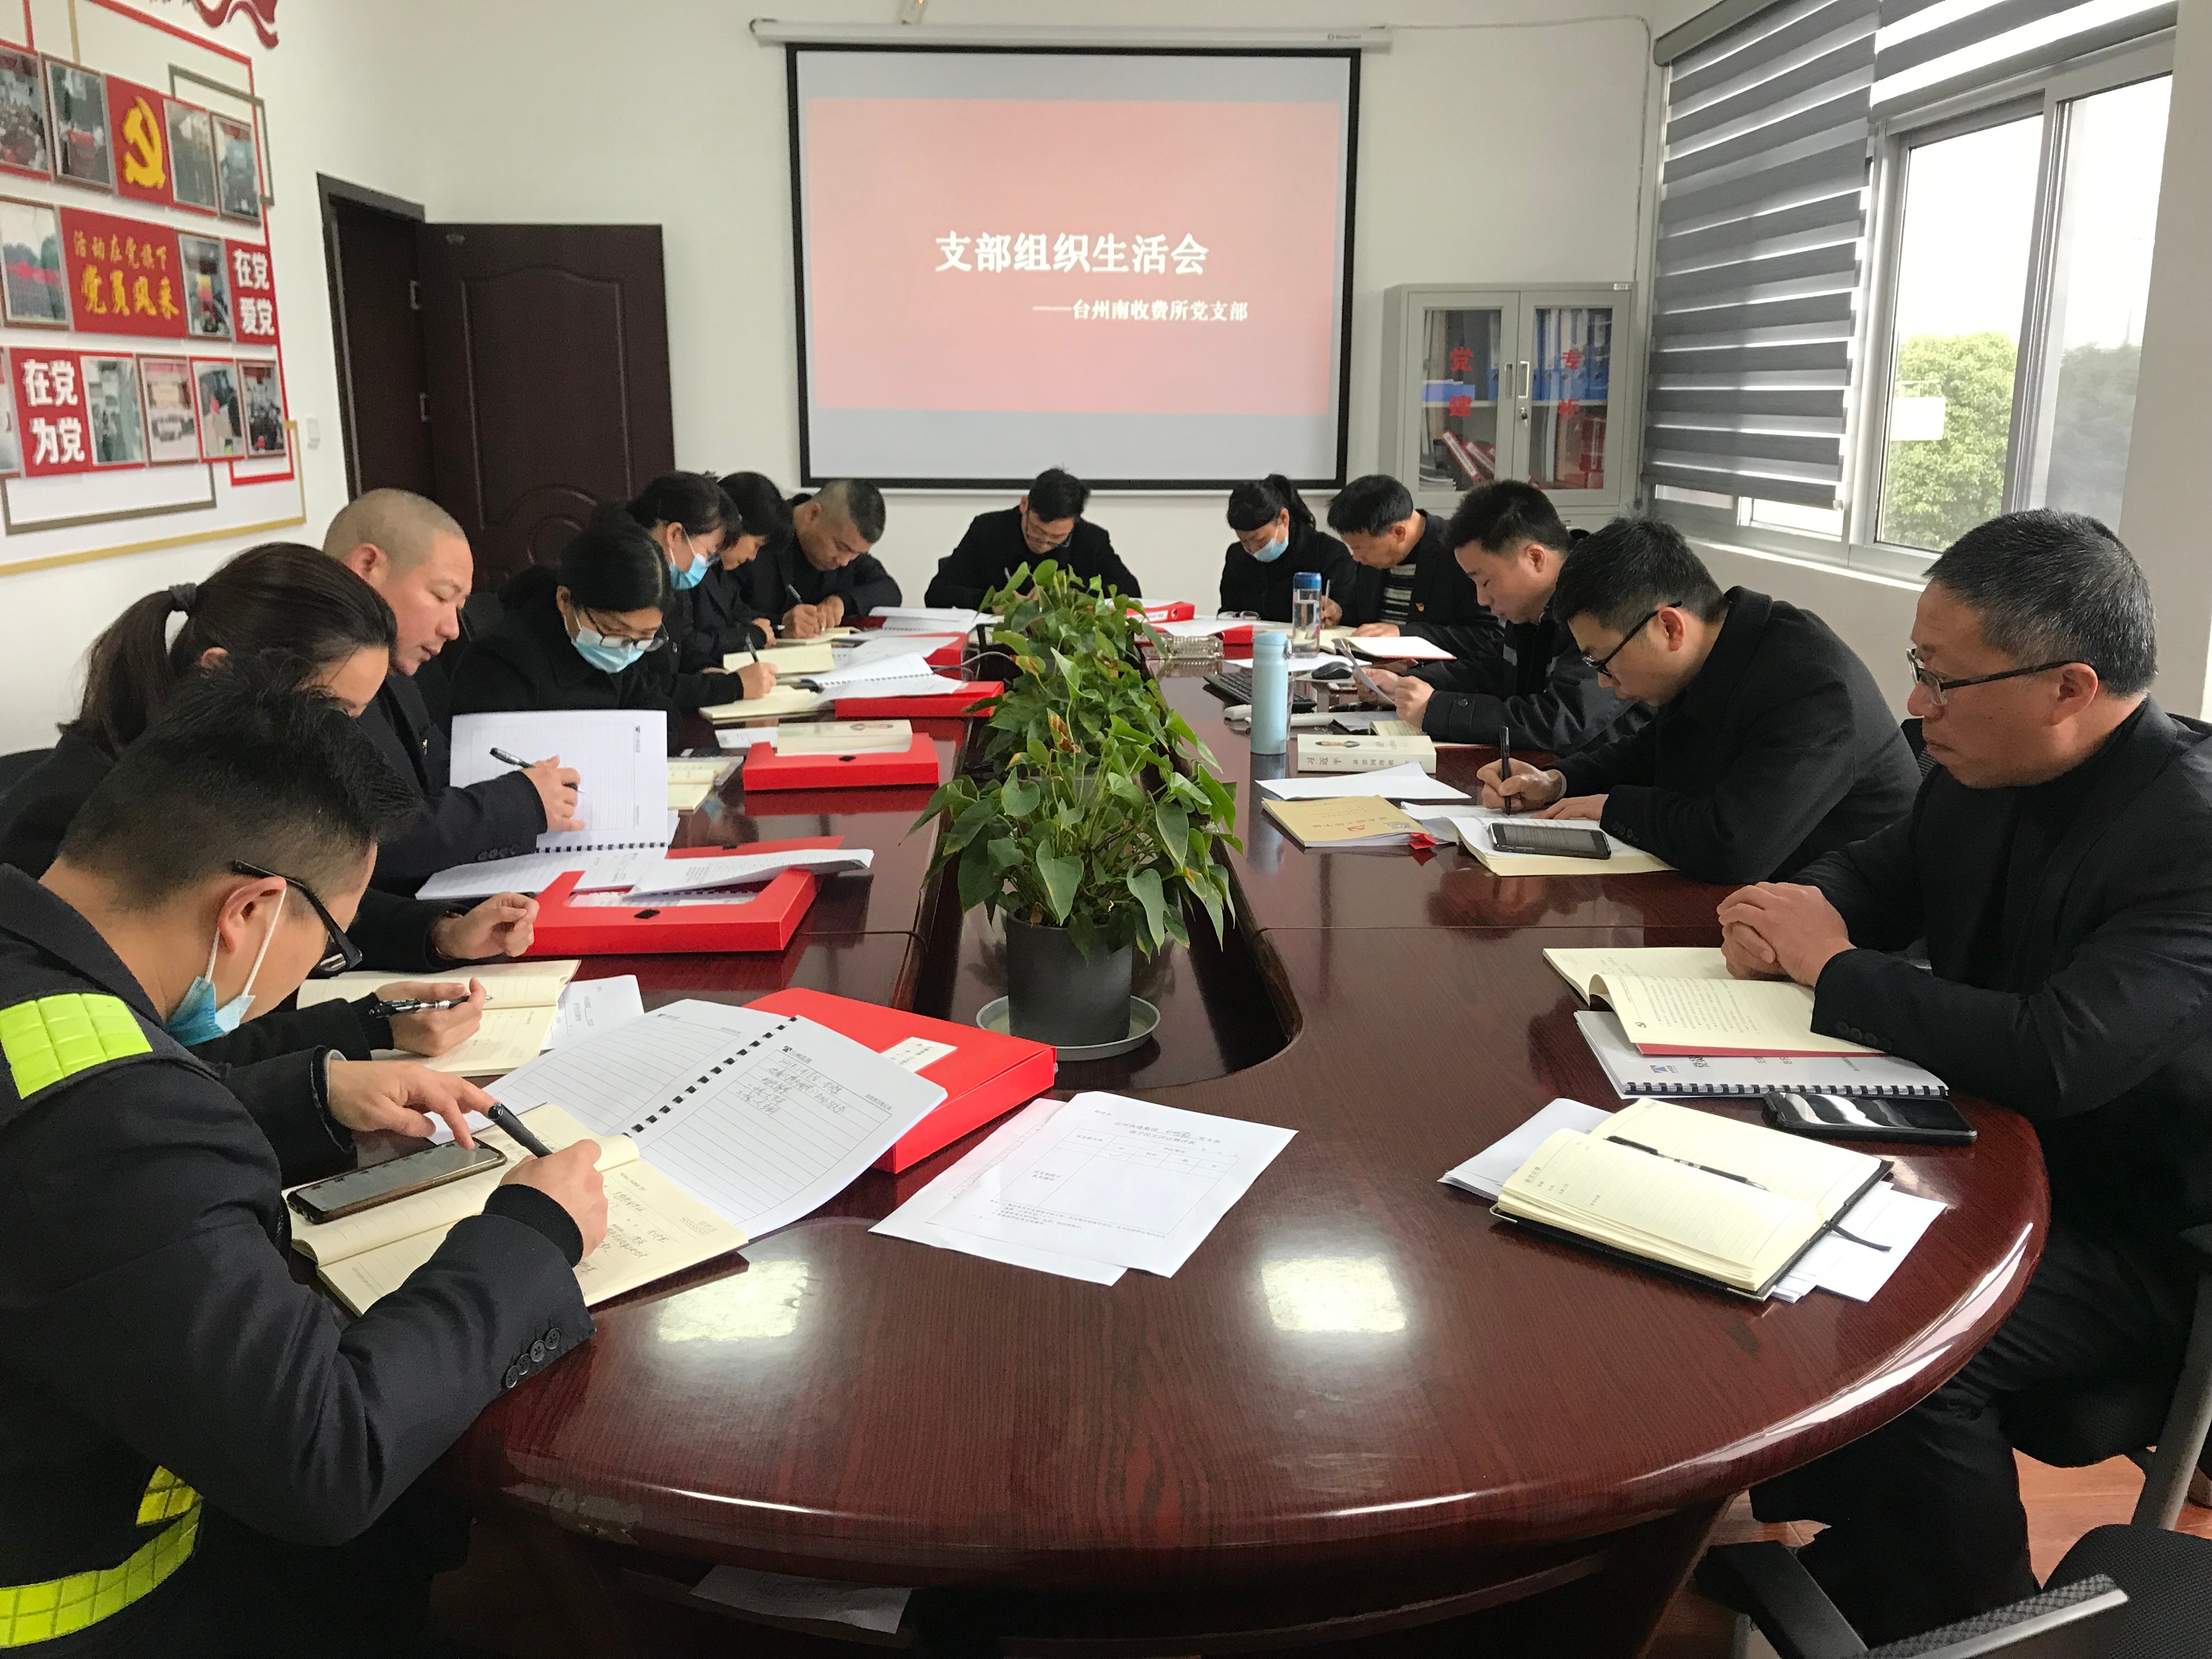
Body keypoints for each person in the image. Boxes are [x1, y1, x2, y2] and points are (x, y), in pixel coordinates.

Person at [0, 662, 607, 1657]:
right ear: (248, 909)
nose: (316, 968)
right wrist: (529, 1237)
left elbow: (58, 1131)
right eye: (328, 943)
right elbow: (329, 1454)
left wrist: (316, 1098)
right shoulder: (114, 1122)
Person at [1714, 511, 2212, 1644]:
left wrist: (1831, 964)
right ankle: (1863, 1554)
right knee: (1751, 1230)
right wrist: (1789, 913)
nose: (1916, 705)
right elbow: (1871, 877)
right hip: (1981, 1149)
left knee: (1911, 1347)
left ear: (2068, 687)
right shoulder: (1981, 765)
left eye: (1944, 679)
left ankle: (1972, 1623)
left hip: (2139, 1225)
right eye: (1917, 667)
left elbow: (2058, 1052)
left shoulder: (2191, 833)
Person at [0, 545, 535, 1064]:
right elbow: (148, 1050)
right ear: (219, 672)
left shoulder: (219, 768)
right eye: (329, 713)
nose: (343, 742)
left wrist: (439, 934)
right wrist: (358, 1038)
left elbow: (308, 895)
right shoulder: (75, 821)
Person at [1478, 517, 1919, 884]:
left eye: (1603, 661)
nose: (1604, 683)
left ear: (1669, 627)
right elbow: (1651, 751)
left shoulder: (1813, 686)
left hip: (1846, 931)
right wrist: (1556, 782)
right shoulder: (1717, 652)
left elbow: (1734, 847)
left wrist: (1614, 807)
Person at [324, 489, 581, 889]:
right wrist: (520, 802)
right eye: (441, 597)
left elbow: (440, 778)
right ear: (367, 566)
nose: (453, 629)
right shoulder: (310, 676)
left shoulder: (399, 669)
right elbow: (375, 837)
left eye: (459, 609)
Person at [1359, 481, 1642, 752]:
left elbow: (1559, 721)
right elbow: (1494, 671)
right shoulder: (1533, 607)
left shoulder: (1603, 603)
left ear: (1535, 558)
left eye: (1485, 582)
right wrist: (1406, 683)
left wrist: (1436, 709)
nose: (1482, 599)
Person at [449, 512, 755, 751]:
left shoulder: (618, 652)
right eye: (613, 631)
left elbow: (661, 712)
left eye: (644, 638)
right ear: (565, 600)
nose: (626, 650)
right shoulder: (501, 662)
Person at [613, 474, 776, 700]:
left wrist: (706, 670)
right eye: (709, 554)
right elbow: (638, 688)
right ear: (675, 534)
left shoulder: (671, 579)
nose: (708, 564)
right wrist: (730, 687)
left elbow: (681, 649)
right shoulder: (623, 580)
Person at [1323, 473, 1500, 657]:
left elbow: (1489, 635)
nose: (1356, 557)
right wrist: (1340, 613)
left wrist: (1405, 634)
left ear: (1399, 533)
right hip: (1370, 667)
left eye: (1361, 548)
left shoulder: (1460, 551)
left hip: (1435, 672)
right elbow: (1365, 618)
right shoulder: (1373, 555)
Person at [926, 467, 1140, 609]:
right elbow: (937, 593)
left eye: (1057, 538)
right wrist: (991, 600)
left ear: (1074, 521)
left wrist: (1071, 594)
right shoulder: (988, 529)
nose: (1044, 544)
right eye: (1036, 531)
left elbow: (1130, 591)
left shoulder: (1091, 539)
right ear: (1024, 505)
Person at [746, 478, 900, 638]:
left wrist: (841, 602)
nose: (844, 562)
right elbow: (731, 615)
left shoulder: (848, 553)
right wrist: (781, 624)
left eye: (856, 554)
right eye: (841, 547)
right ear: (813, 514)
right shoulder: (760, 537)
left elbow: (889, 591)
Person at [683, 470, 791, 665]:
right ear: (737, 524)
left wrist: (782, 625)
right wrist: (752, 635)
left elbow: (741, 614)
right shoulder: (687, 569)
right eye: (756, 545)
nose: (753, 557)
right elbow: (687, 645)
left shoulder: (720, 569)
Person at [1217, 475, 1355, 622]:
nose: (1253, 549)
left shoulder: (1329, 553)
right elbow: (1229, 613)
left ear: (1284, 518)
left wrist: (1336, 612)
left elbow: (1350, 615)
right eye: (1244, 541)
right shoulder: (1237, 556)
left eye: (1260, 540)